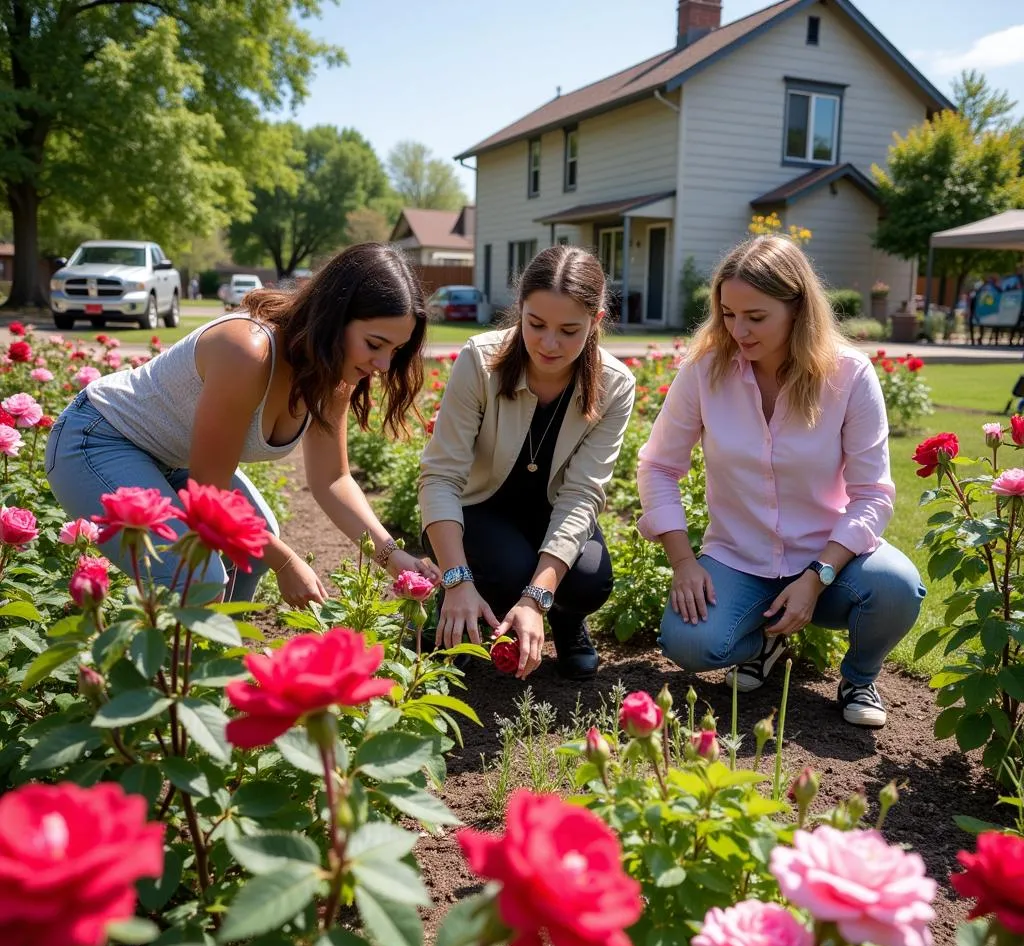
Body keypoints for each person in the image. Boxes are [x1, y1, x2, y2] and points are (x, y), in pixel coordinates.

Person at [46, 241, 439, 606]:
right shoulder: (248, 352)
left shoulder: (332, 377)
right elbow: (208, 490)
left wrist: (393, 557)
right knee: (199, 577)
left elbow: (332, 480)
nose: (384, 365)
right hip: (96, 440)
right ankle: (162, 676)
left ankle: (209, 668)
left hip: (167, 460)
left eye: (396, 350)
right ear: (333, 317)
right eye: (374, 344)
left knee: (254, 544)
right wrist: (286, 562)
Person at [637, 235, 924, 728]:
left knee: (897, 587)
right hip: (740, 556)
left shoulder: (849, 375)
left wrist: (817, 577)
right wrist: (683, 561)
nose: (738, 330)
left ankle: (859, 676)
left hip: (831, 558)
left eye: (756, 316)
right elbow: (659, 466)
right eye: (728, 314)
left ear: (797, 308)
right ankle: (765, 643)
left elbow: (872, 495)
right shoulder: (706, 371)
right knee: (690, 643)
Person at [420, 245, 635, 681]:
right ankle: (458, 608)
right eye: (536, 324)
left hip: (550, 512)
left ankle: (565, 618)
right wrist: (457, 578)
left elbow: (581, 495)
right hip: (477, 509)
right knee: (508, 571)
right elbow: (440, 477)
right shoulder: (481, 361)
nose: (549, 344)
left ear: (596, 322)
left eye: (569, 330)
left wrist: (537, 597)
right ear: (519, 308)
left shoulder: (614, 384)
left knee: (590, 579)